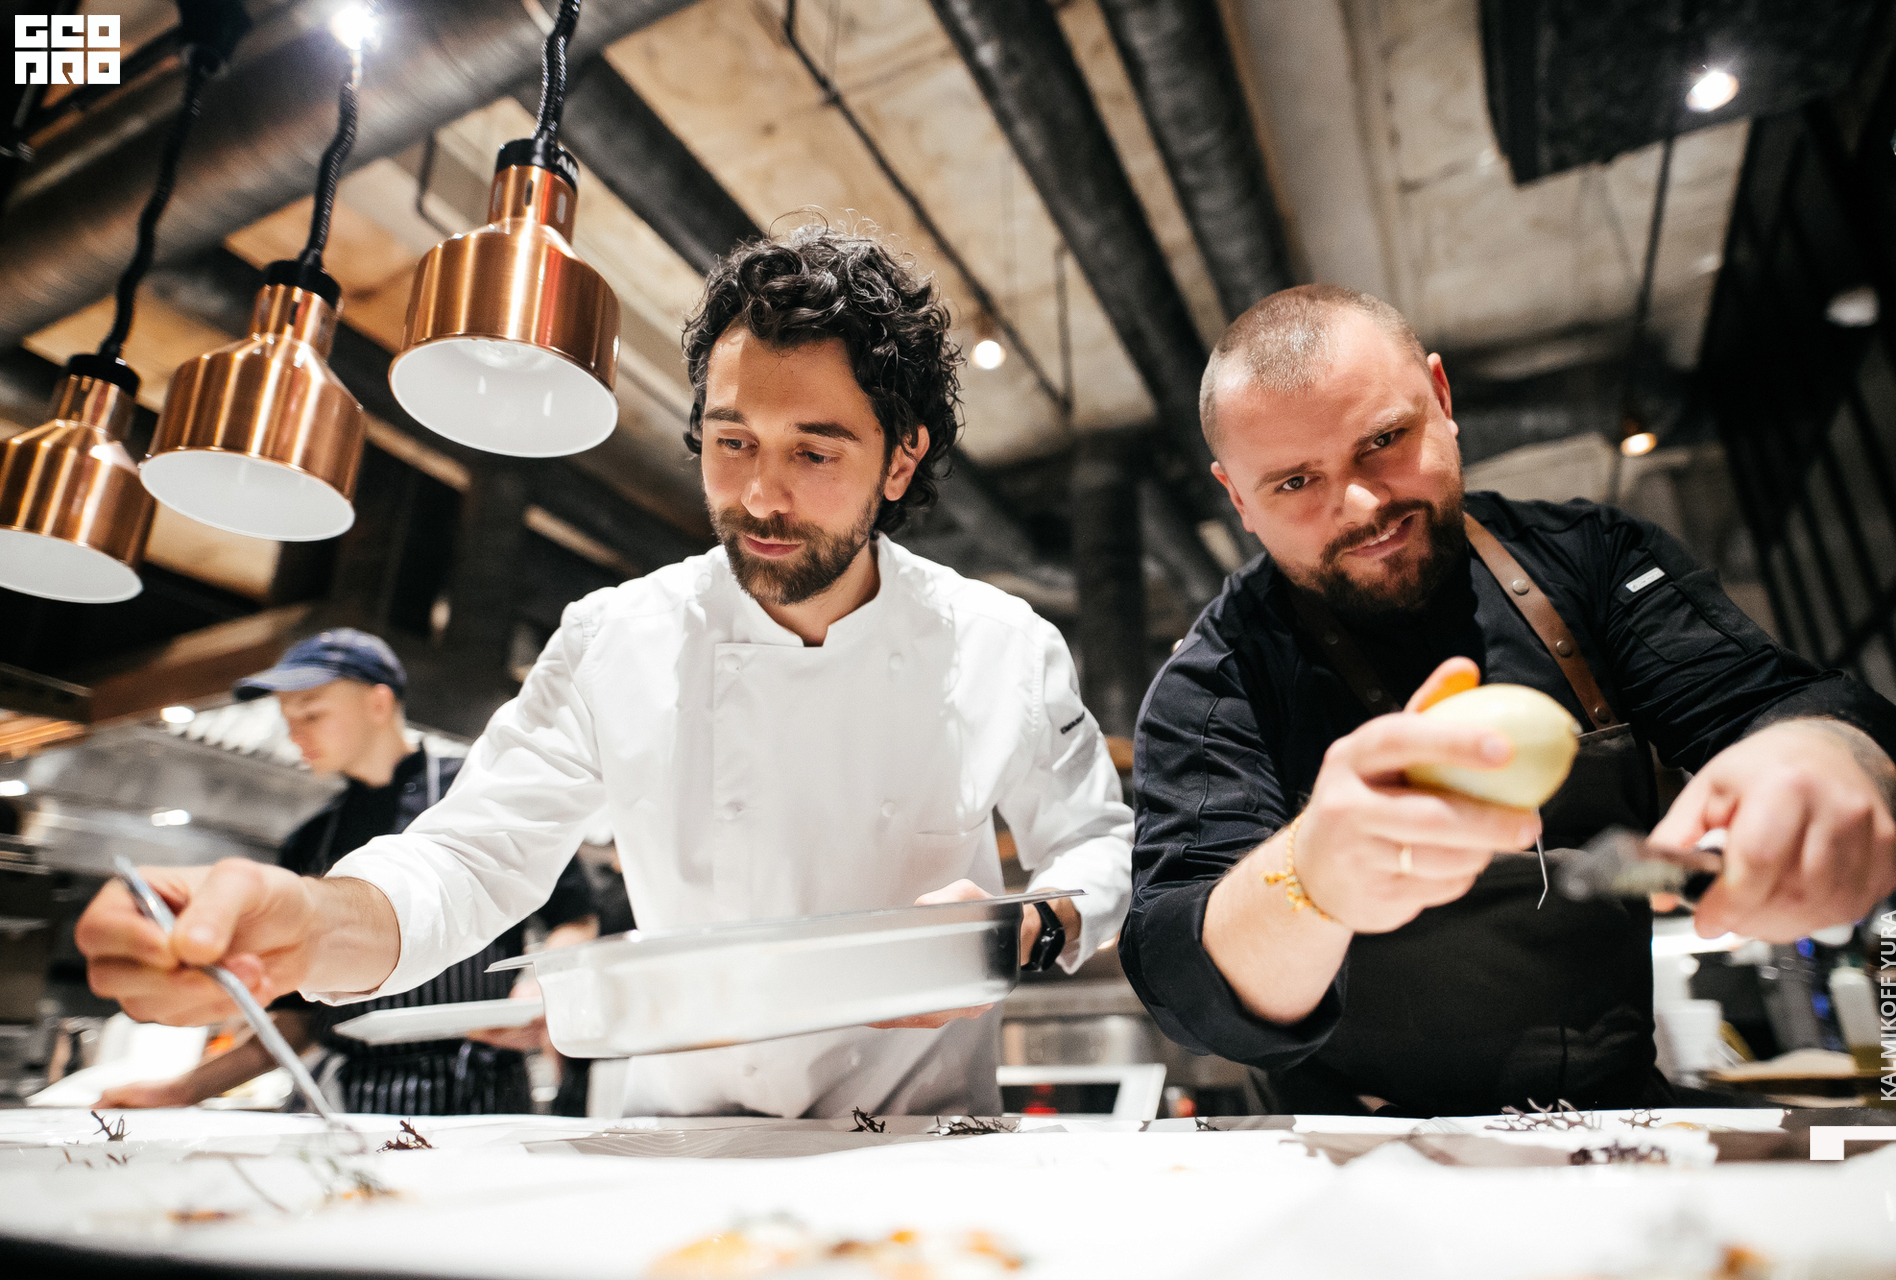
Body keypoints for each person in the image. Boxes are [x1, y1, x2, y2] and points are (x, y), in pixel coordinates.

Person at [76, 225, 1134, 1119]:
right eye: (731, 442)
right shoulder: (615, 637)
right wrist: (308, 924)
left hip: (924, 1142)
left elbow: (1098, 845)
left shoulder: (1001, 642)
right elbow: (469, 859)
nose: (759, 496)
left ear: (900, 457)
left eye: (814, 453)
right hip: (681, 1147)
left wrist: (1024, 926)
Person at [1124, 284, 1896, 1117]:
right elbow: (1179, 972)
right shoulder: (1214, 683)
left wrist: (1823, 757)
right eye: (1294, 482)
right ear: (1238, 499)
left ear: (1442, 397)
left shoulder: (1593, 561)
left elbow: (1791, 703)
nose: (1361, 505)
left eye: (1383, 441)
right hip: (1355, 1146)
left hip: (1615, 1117)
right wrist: (1308, 878)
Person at [97, 630, 598, 1115]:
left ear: (378, 703)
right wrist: (182, 1090)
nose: (295, 734)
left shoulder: (475, 793)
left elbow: (575, 918)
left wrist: (542, 986)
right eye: (287, 719)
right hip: (358, 1095)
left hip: (481, 1082)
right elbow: (295, 1019)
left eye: (312, 713)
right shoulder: (312, 838)